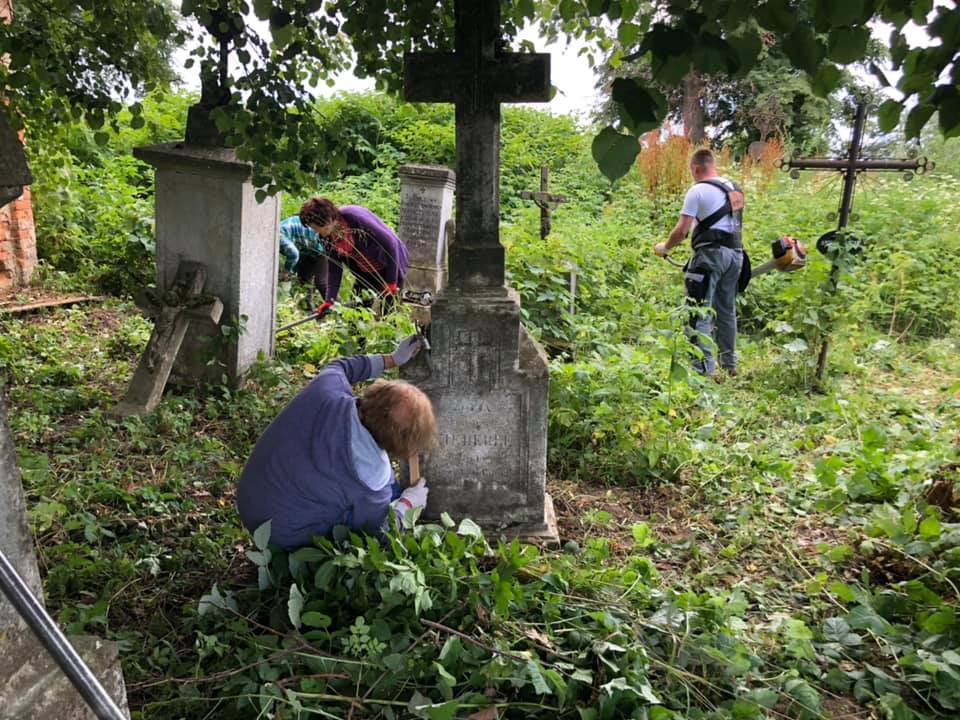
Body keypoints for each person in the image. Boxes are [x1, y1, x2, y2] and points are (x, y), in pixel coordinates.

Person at [236, 336, 435, 548]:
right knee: (359, 521)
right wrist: (407, 505)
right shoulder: (373, 478)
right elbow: (379, 532)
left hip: (249, 497)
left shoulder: (327, 388)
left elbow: (342, 366)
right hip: (282, 535)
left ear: (375, 391)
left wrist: (393, 359)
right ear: (400, 445)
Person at [655, 149, 745, 376]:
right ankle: (729, 365)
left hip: (710, 258)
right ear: (712, 165)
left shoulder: (697, 191)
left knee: (698, 312)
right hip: (736, 255)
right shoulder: (734, 188)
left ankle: (703, 370)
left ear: (695, 168)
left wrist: (665, 247)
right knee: (726, 311)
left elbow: (683, 230)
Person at [298, 197, 409, 318]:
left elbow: (390, 243)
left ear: (326, 219)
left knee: (389, 314)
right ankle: (357, 335)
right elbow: (334, 269)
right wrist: (329, 300)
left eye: (315, 227)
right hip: (365, 273)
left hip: (389, 266)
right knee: (357, 314)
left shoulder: (353, 216)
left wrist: (392, 281)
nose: (315, 231)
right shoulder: (326, 237)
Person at [278, 214, 328, 297]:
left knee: (321, 282)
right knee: (303, 280)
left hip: (320, 248)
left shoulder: (279, 237)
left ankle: (337, 308)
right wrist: (291, 272)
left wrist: (287, 271)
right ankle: (308, 308)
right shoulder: (279, 232)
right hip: (306, 249)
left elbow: (294, 255)